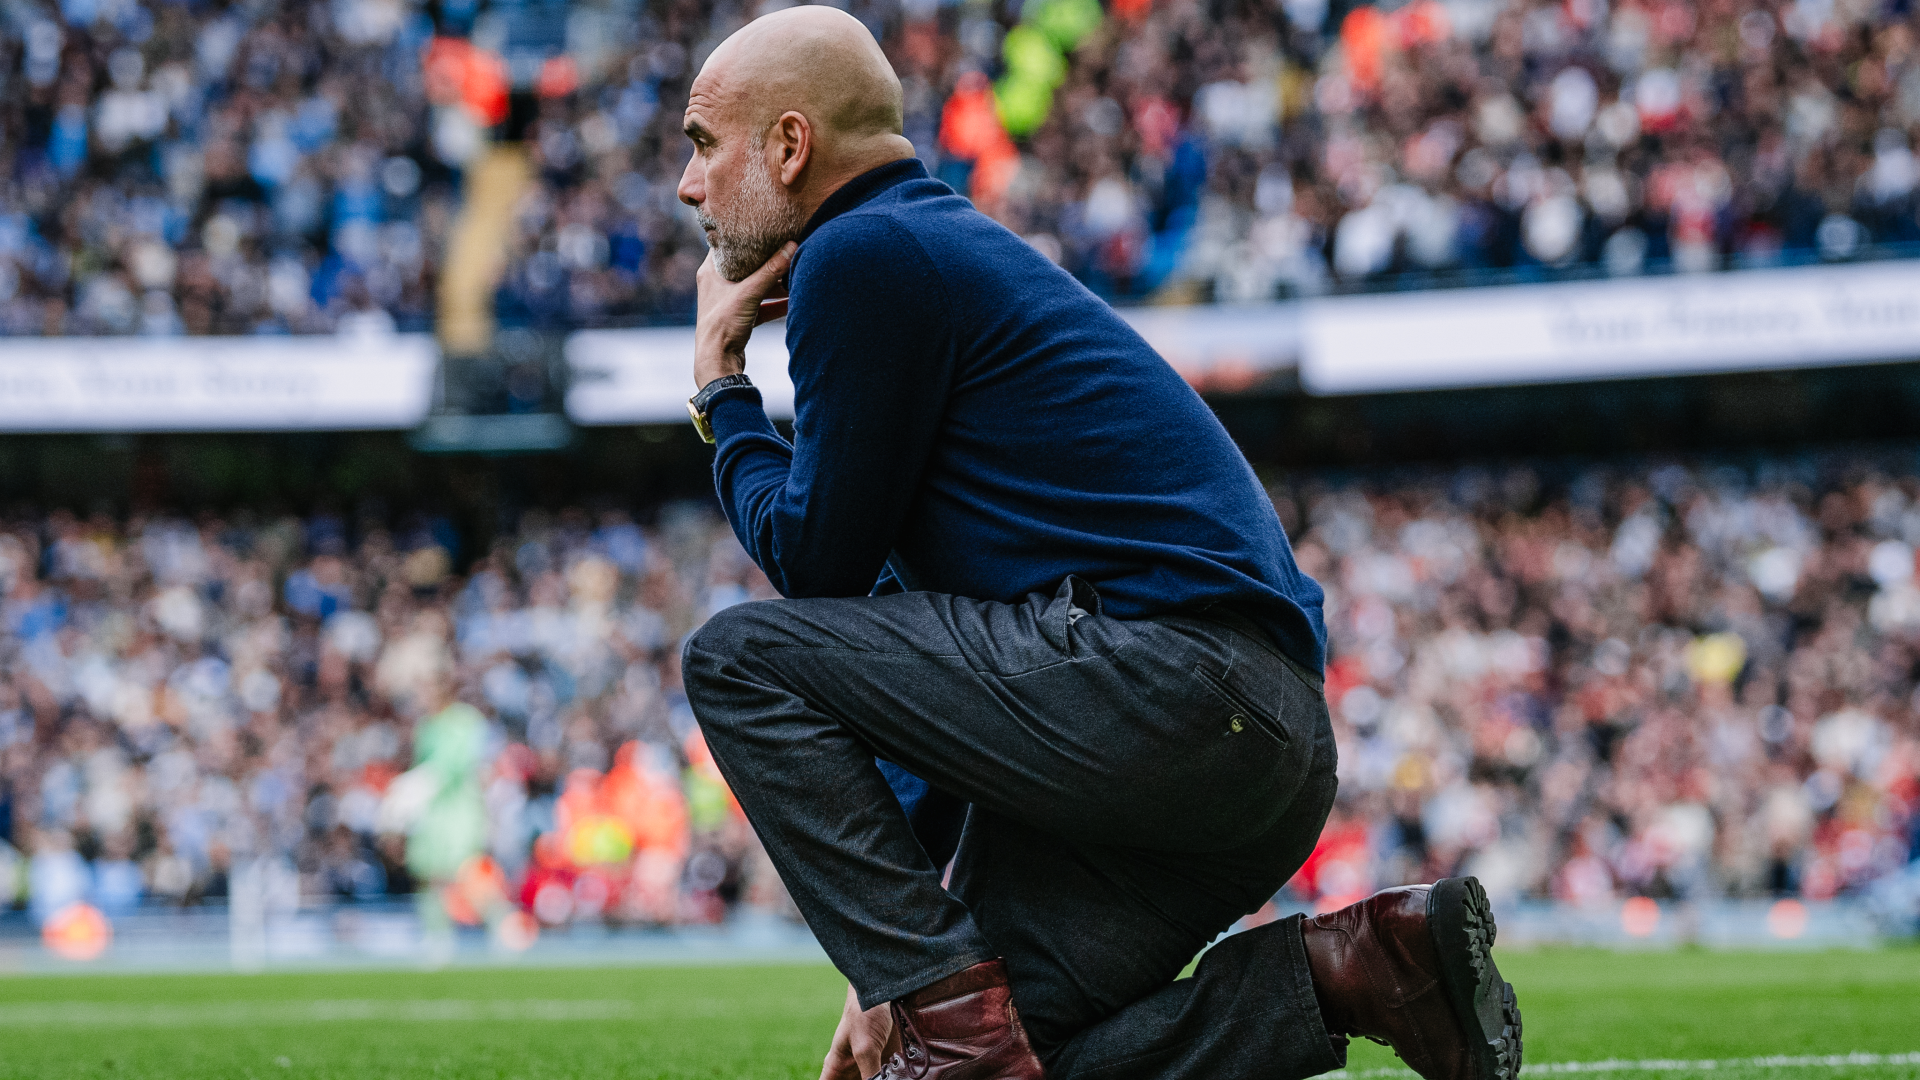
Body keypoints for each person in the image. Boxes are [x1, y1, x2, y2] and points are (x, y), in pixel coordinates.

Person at [674, 9, 1523, 1080]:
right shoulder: (919, 250)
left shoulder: (863, 250)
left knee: (735, 660)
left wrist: (722, 391)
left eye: (705, 143)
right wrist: (900, 961)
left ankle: (958, 1037)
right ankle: (1359, 965)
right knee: (1013, 1060)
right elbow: (917, 662)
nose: (686, 184)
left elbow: (815, 568)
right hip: (1251, 742)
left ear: (790, 146)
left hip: (1173, 693)